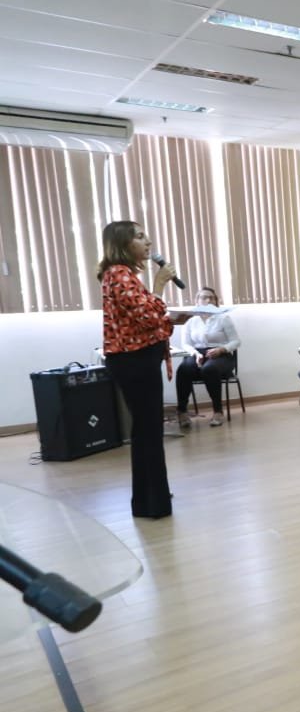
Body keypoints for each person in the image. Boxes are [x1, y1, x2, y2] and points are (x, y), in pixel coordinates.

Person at [97, 220, 178, 519]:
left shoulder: (122, 274)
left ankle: (147, 499)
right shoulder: (118, 274)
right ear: (123, 244)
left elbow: (142, 318)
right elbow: (148, 316)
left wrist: (168, 318)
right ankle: (154, 503)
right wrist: (159, 285)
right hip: (134, 361)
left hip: (136, 360)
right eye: (140, 237)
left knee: (145, 431)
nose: (148, 242)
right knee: (149, 431)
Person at [175, 286, 241, 427]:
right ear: (197, 301)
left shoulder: (223, 318)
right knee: (183, 369)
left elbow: (236, 341)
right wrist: (195, 354)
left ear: (216, 301)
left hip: (221, 354)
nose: (208, 300)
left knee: (209, 369)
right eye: (204, 297)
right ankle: (182, 411)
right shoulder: (190, 320)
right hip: (198, 353)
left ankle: (218, 411)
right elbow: (186, 344)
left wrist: (221, 349)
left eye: (211, 298)